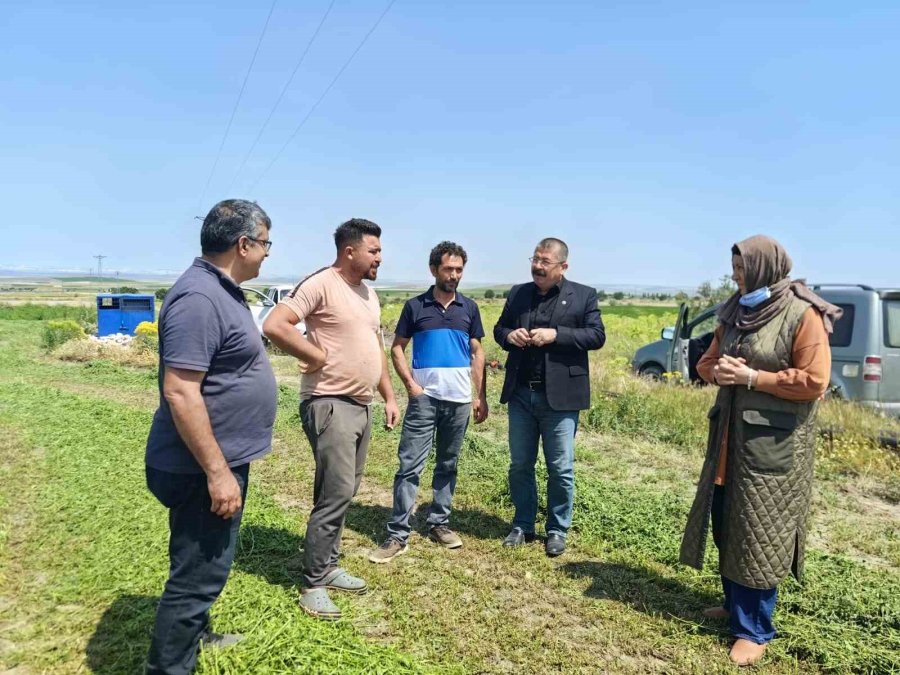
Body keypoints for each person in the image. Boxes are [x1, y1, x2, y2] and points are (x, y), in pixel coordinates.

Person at [679, 235, 840, 666]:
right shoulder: (736, 311)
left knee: (759, 533)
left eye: (742, 270)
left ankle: (754, 630)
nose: (736, 277)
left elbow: (815, 381)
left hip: (772, 448)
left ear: (766, 269)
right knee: (727, 522)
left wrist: (753, 378)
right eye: (734, 269)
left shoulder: (801, 314)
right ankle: (734, 606)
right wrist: (720, 371)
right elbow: (706, 363)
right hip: (729, 442)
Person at [144, 200, 277, 675]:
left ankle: (194, 632)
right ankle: (168, 667)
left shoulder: (220, 290)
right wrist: (219, 474)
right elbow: (180, 391)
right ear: (243, 244)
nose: (267, 254)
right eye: (265, 244)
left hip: (212, 460)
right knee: (198, 577)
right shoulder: (199, 298)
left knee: (195, 561)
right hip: (201, 466)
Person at [263, 218, 400, 620]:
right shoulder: (322, 283)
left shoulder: (368, 294)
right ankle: (314, 584)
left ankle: (329, 564)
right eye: (374, 250)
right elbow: (275, 325)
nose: (380, 257)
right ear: (349, 251)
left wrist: (389, 396)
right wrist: (315, 355)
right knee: (335, 491)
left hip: (361, 404)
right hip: (329, 401)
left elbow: (375, 348)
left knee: (345, 489)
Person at [369, 241, 488, 563]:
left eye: (459, 270)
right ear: (434, 269)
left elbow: (477, 352)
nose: (454, 275)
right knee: (409, 466)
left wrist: (480, 395)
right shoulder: (415, 306)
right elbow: (397, 348)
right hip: (425, 400)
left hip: (459, 401)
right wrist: (411, 386)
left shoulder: (469, 308)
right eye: (448, 269)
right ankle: (397, 534)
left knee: (448, 464)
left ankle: (439, 523)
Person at [493, 238, 605, 557]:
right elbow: (500, 329)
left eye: (545, 261)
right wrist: (510, 336)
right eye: (535, 259)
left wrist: (557, 335)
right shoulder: (518, 293)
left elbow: (597, 336)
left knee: (560, 468)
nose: (537, 266)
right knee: (520, 464)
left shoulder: (583, 295)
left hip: (560, 399)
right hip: (521, 395)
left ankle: (557, 529)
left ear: (563, 266)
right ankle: (523, 524)